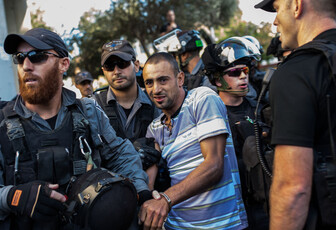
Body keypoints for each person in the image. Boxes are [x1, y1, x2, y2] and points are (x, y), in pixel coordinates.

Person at [0, 28, 150, 230]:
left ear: (63, 64)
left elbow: (122, 156)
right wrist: (15, 197)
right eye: (20, 58)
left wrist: (141, 191)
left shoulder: (89, 112)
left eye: (37, 56)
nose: (26, 66)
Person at [139, 52, 248, 229]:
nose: (156, 89)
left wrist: (166, 199)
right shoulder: (154, 128)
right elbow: (150, 183)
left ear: (180, 79)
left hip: (222, 225)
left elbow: (214, 166)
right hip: (175, 225)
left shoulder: (202, 99)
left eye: (163, 80)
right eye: (149, 82)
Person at [255, 0, 336, 229]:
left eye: (278, 8)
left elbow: (293, 189)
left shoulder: (298, 71)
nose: (275, 20)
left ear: (297, 6)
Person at [202, 36, 270, 230]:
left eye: (246, 70)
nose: (243, 76)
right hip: (234, 209)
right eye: (235, 72)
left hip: (264, 203)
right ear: (217, 79)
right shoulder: (211, 117)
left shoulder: (258, 108)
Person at [94, 40, 163, 191]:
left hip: (156, 193)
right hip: (113, 195)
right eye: (109, 66)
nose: (116, 71)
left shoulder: (157, 100)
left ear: (136, 65)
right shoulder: (94, 107)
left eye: (122, 63)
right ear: (103, 71)